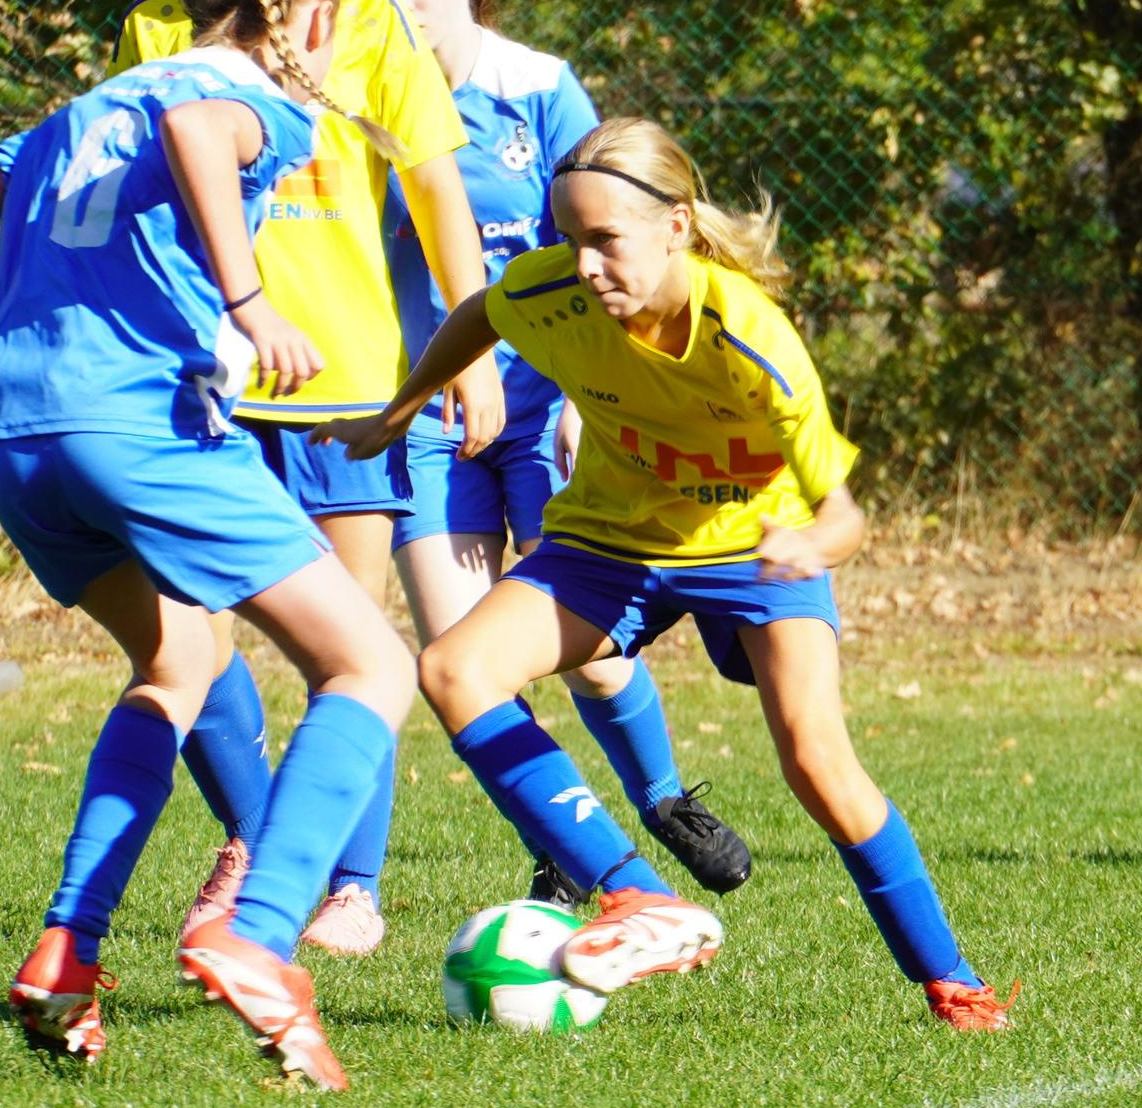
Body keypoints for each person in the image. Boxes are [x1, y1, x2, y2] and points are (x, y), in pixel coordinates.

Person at [324, 120, 1010, 1031]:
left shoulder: (749, 334)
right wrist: (397, 411)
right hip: (610, 542)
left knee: (816, 760)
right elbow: (484, 311)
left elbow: (844, 512)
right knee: (453, 669)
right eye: (568, 239)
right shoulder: (553, 293)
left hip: (752, 550)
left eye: (606, 240)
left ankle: (952, 982)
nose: (584, 264)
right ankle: (639, 899)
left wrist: (811, 546)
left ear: (676, 225)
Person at [0, 0, 416, 1090]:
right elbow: (199, 130)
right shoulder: (252, 92)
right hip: (134, 418)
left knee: (180, 662)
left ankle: (68, 949)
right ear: (313, 17)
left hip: (18, 430)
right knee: (372, 666)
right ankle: (263, 928)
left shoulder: (87, 104)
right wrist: (246, 299)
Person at [106, 0, 496, 959]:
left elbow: (438, 195)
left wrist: (472, 359)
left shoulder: (372, 23)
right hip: (203, 383)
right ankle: (258, 839)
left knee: (354, 647)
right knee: (180, 636)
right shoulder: (157, 29)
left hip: (347, 386)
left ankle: (349, 886)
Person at [358, 0, 754, 904]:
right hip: (437, 421)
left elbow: (607, 224)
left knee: (590, 659)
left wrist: (589, 391)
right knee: (461, 666)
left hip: (546, 410)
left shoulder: (536, 89)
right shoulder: (359, 102)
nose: (398, 1)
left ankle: (664, 798)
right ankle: (573, 852)